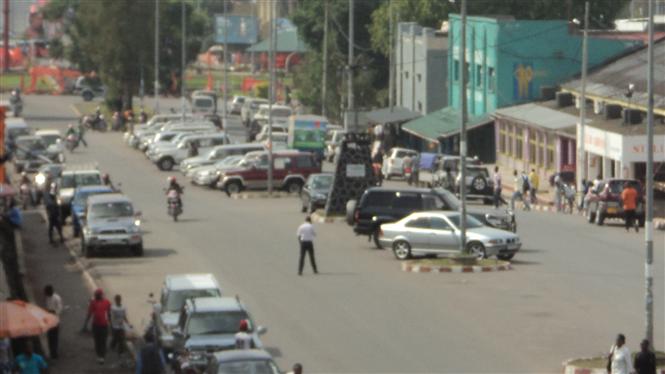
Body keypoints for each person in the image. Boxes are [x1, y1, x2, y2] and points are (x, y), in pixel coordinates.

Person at [82, 288, 111, 365]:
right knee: (97, 341)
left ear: (100, 295)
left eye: (97, 295)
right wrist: (85, 323)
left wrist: (111, 323)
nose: (96, 296)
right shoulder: (93, 302)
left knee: (103, 341)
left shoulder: (107, 302)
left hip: (104, 325)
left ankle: (102, 356)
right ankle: (99, 355)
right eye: (96, 295)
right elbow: (89, 313)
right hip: (96, 325)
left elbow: (109, 313)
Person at [44, 285, 63, 359]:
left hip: (55, 320)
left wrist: (53, 312)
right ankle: (52, 352)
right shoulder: (47, 298)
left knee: (54, 337)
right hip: (49, 320)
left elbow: (60, 308)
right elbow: (47, 307)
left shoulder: (57, 298)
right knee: (50, 337)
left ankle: (54, 352)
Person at [109, 295, 130, 361]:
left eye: (119, 299)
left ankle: (120, 352)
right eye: (117, 299)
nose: (118, 300)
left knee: (121, 338)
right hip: (115, 326)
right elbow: (112, 317)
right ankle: (113, 346)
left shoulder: (123, 308)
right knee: (116, 337)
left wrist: (128, 323)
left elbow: (124, 316)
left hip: (121, 326)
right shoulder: (113, 308)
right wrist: (111, 324)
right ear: (116, 300)